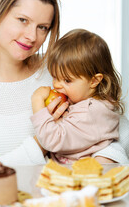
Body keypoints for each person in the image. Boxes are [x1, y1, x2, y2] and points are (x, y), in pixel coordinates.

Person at [0, 0, 128, 167]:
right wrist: (44, 141)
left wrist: (100, 163)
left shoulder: (60, 71)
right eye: (22, 20)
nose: (31, 36)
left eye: (43, 27)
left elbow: (118, 130)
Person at [31, 29, 127, 164]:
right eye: (54, 77)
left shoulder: (91, 112)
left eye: (67, 80)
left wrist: (37, 104)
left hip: (80, 177)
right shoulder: (80, 101)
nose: (57, 85)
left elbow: (52, 141)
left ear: (94, 81)